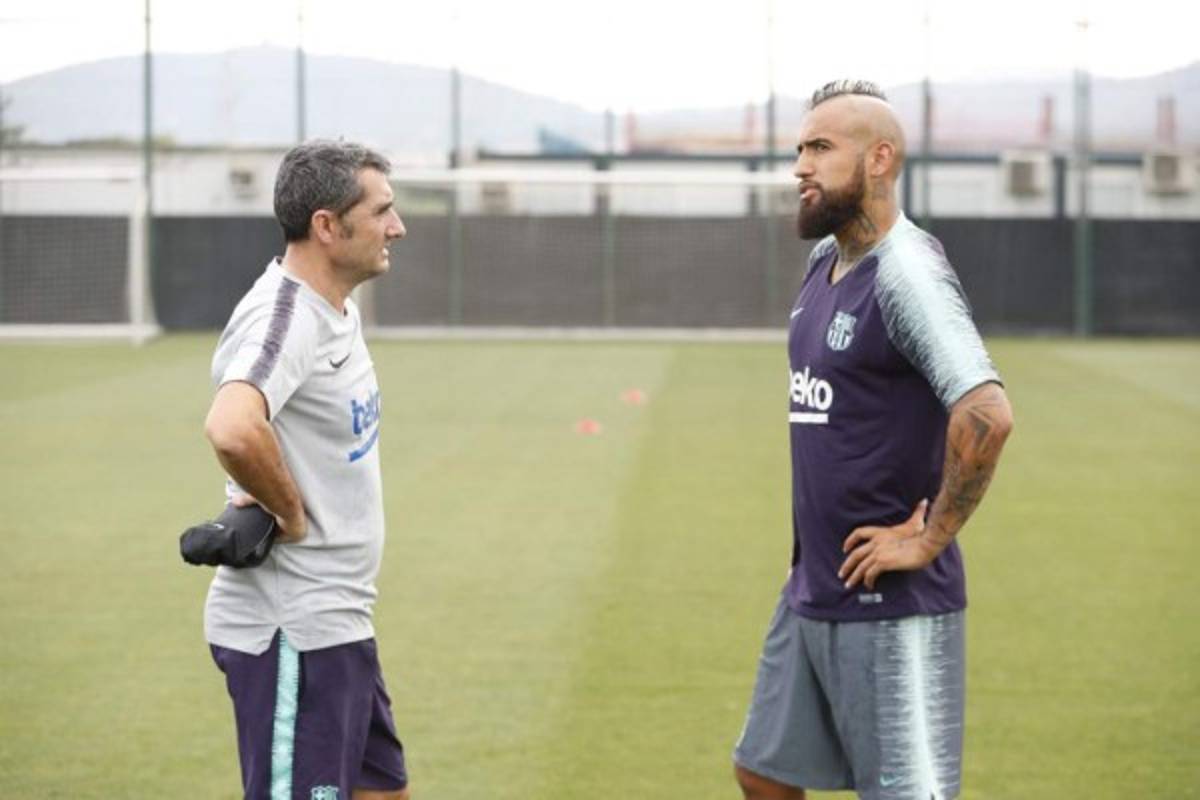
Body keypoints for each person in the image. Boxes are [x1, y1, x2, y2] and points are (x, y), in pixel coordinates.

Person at [733, 80, 1014, 800]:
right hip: (812, 587)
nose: (800, 165)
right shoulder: (822, 264)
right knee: (764, 773)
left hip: (892, 601)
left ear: (880, 159)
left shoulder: (909, 273)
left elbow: (986, 411)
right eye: (799, 148)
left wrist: (925, 540)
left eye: (821, 148)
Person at [202, 140, 409, 800]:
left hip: (340, 624)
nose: (396, 227)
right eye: (381, 211)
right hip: (294, 632)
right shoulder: (285, 317)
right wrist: (290, 514)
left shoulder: (333, 309)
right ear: (327, 225)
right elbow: (233, 426)